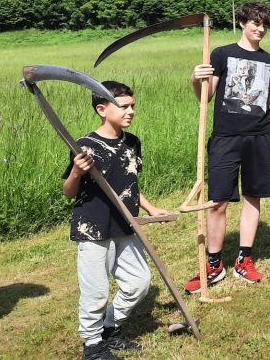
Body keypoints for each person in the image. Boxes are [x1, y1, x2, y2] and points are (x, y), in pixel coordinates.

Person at [62, 80, 168, 360]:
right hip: (93, 227)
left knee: (139, 282)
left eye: (133, 106)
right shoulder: (85, 146)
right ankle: (92, 345)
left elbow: (129, 185)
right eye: (123, 107)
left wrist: (151, 208)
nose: (131, 111)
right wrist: (76, 172)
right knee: (96, 291)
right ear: (102, 109)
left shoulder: (132, 142)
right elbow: (69, 192)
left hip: (126, 223)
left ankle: (109, 328)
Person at [185, 1, 270, 293]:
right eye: (255, 23)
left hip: (260, 137)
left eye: (265, 25)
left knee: (253, 196)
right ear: (242, 22)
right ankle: (213, 265)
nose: (261, 29)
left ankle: (244, 260)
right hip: (226, 138)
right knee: (218, 201)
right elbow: (205, 98)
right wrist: (195, 79)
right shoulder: (222, 55)